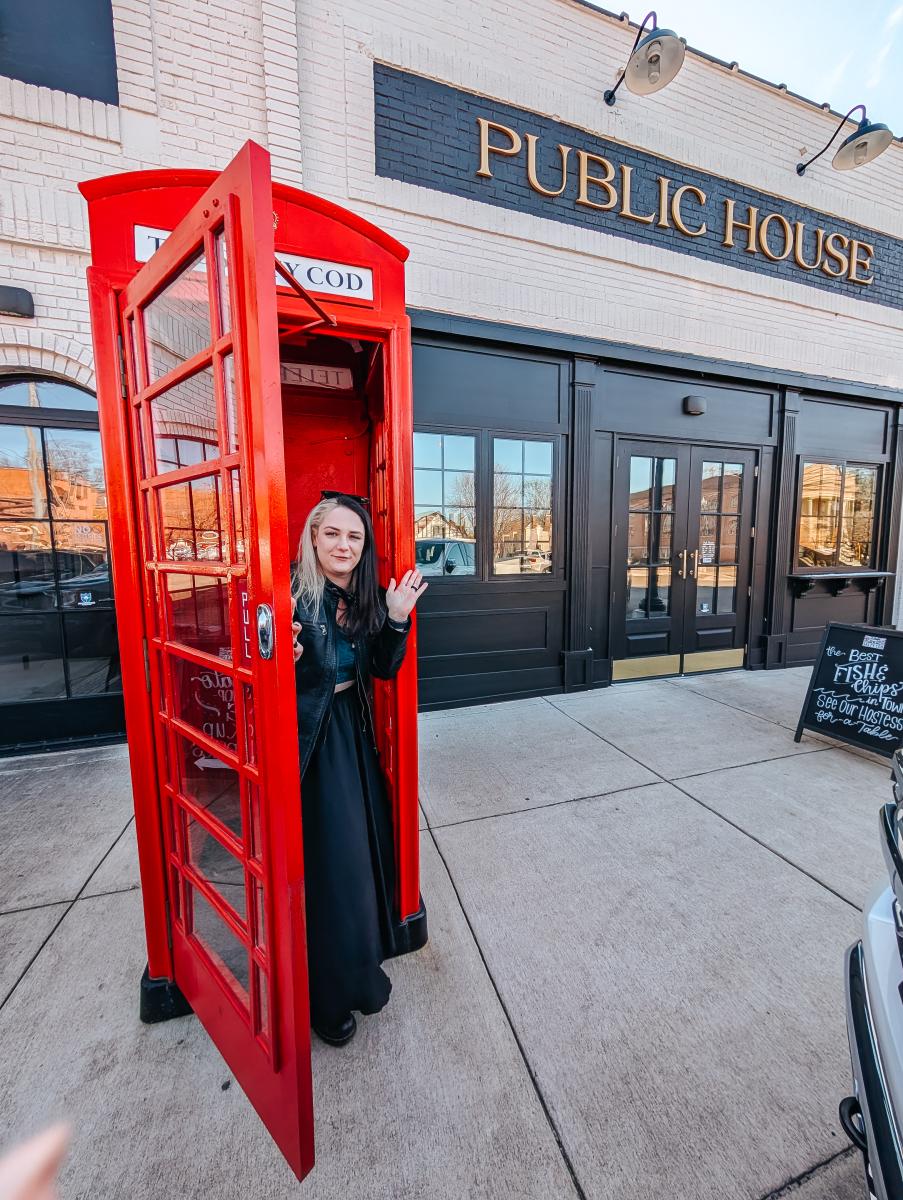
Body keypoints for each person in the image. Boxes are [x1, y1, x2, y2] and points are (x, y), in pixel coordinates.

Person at [291, 493, 427, 1047]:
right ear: (313, 538)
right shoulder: (293, 599)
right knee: (334, 871)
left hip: (354, 732)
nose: (344, 545)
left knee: (365, 862)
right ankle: (328, 997)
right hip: (312, 743)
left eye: (355, 537)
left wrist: (396, 620)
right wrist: (281, 664)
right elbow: (269, 678)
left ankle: (357, 970)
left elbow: (380, 671)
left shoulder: (363, 597)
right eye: (333, 535)